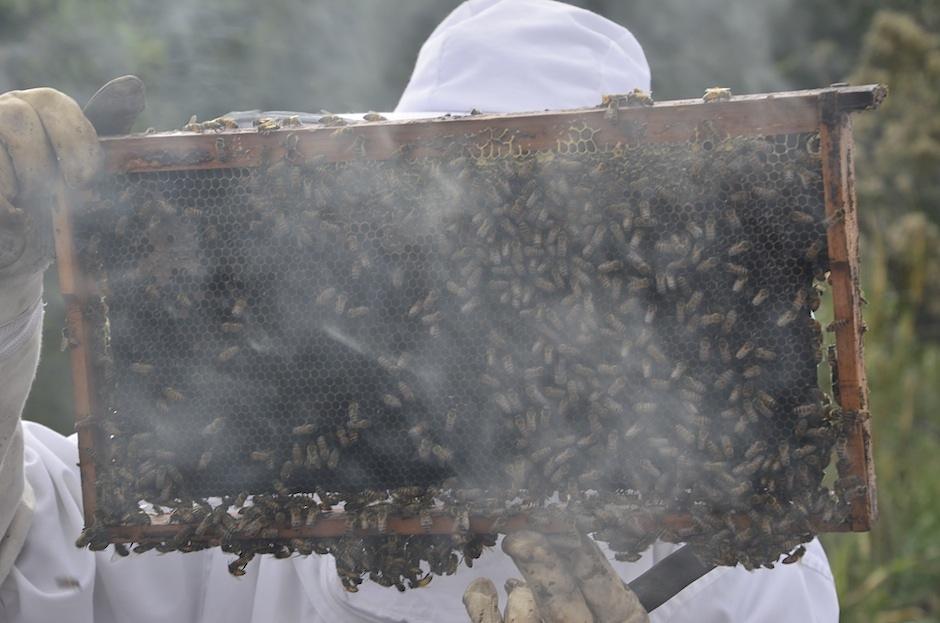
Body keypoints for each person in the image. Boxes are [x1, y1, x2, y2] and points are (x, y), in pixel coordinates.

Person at [0, 1, 840, 621]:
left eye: (549, 241)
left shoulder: (747, 566)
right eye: (451, 234)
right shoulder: (231, 496)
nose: (491, 302)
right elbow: (22, 554)